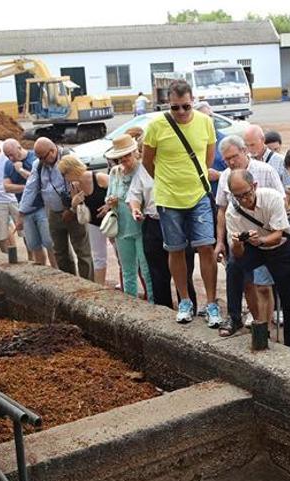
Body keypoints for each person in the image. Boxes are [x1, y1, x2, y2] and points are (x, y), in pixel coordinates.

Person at [142, 79, 222, 326]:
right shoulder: (155, 126)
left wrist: (192, 180)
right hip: (168, 198)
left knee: (206, 247)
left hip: (198, 194)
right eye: (175, 107)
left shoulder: (206, 123)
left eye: (186, 107)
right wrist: (166, 183)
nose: (181, 112)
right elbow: (147, 161)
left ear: (193, 101)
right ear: (168, 104)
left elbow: (208, 158)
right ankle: (185, 300)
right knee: (175, 248)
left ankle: (211, 304)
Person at [223, 169, 290, 347]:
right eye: (238, 196)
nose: (244, 200)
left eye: (246, 194)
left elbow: (278, 234)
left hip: (279, 247)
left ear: (255, 186)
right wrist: (237, 243)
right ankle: (234, 316)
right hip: (254, 248)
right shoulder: (232, 212)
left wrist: (260, 240)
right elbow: (238, 255)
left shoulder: (272, 197)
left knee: (289, 298)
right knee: (234, 266)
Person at [214, 135, 284, 335]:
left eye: (234, 156)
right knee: (239, 274)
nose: (231, 162)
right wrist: (221, 241)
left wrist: (266, 233)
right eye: (226, 159)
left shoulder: (265, 170)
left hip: (269, 236)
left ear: (244, 151)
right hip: (240, 234)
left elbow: (282, 201)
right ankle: (243, 319)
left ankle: (265, 326)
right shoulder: (225, 178)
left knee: (263, 285)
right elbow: (221, 209)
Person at [126, 131, 199, 312]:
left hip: (177, 221)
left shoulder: (176, 164)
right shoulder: (143, 169)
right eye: (143, 150)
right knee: (158, 274)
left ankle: (189, 308)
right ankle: (164, 312)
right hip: (153, 223)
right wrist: (135, 208)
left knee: (184, 272)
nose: (145, 154)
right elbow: (134, 194)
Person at [19, 137, 93, 279]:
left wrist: (70, 209)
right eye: (38, 157)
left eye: (43, 157)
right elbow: (30, 188)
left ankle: (88, 285)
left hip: (73, 211)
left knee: (82, 251)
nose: (41, 160)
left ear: (52, 151)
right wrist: (21, 212)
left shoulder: (69, 158)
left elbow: (81, 182)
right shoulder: (39, 165)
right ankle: (69, 283)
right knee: (60, 253)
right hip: (53, 212)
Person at [103, 134, 153, 300]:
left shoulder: (143, 169)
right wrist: (111, 201)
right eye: (120, 156)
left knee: (146, 269)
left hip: (141, 226)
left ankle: (153, 302)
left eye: (127, 155)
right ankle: (131, 302)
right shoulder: (114, 172)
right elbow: (109, 195)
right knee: (127, 269)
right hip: (122, 227)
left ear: (135, 153)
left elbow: (148, 197)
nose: (124, 159)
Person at [2, 138, 55, 268]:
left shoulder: (35, 159)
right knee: (33, 244)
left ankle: (57, 269)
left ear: (19, 148)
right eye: (7, 156)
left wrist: (21, 171)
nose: (10, 158)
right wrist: (27, 188)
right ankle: (42, 269)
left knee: (49, 242)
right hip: (25, 209)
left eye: (12, 154)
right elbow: (6, 187)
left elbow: (38, 182)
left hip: (41, 206)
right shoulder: (8, 164)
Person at [57, 155, 110, 285]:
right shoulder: (74, 186)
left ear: (71, 171)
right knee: (98, 256)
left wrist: (108, 206)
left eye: (64, 174)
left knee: (121, 256)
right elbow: (76, 210)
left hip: (111, 219)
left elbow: (118, 191)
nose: (64, 177)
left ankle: (125, 285)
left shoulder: (98, 177)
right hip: (93, 222)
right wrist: (74, 204)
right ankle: (100, 287)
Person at [244, 124, 290, 202]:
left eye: (252, 145)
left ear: (262, 140)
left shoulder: (281, 161)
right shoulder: (246, 162)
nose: (250, 149)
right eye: (247, 145)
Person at [193, 101, 226, 198]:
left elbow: (240, 171)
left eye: (210, 116)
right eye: (204, 117)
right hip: (198, 199)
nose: (209, 120)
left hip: (221, 197)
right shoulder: (190, 143)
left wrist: (219, 175)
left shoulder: (225, 141)